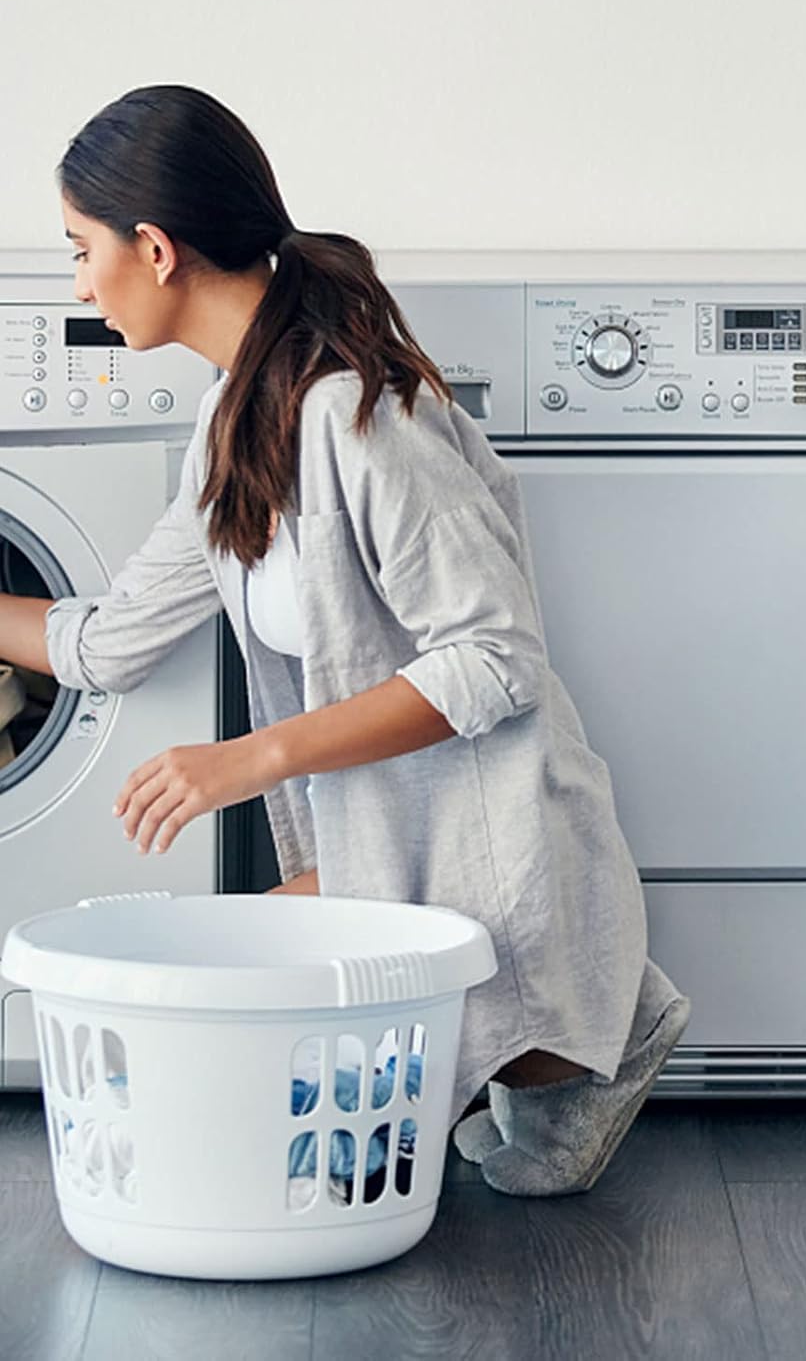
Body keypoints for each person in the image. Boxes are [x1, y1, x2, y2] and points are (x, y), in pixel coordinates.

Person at [0, 84, 689, 1197]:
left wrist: (249, 759)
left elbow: (497, 658)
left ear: (155, 248)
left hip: (484, 839)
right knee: (203, 1053)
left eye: (80, 251)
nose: (78, 284)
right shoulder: (232, 425)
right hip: (383, 850)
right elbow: (108, 640)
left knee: (261, 1115)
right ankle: (553, 1032)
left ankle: (589, 1039)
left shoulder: (362, 415)